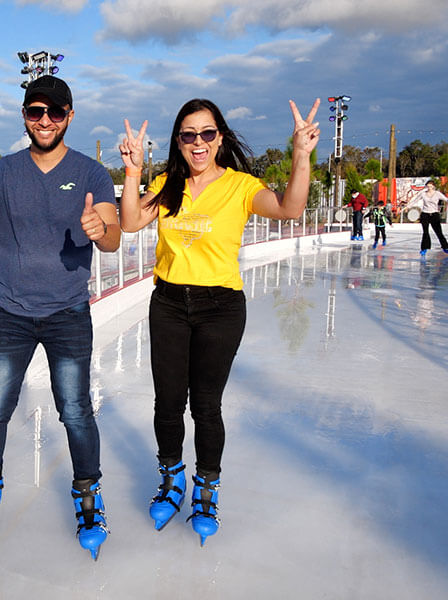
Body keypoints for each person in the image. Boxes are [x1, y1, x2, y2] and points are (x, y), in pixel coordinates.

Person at [118, 97, 320, 545]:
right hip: (169, 303)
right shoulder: (168, 184)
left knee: (206, 405)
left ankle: (206, 488)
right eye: (188, 135)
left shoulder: (242, 186)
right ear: (178, 141)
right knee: (167, 403)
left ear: (220, 137)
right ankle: (172, 479)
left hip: (220, 307)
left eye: (207, 134)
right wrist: (133, 171)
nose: (198, 143)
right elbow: (130, 222)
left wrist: (301, 156)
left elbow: (289, 209)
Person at [0, 75, 121, 560]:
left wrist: (99, 229)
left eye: (54, 112)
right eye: (35, 111)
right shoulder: (3, 172)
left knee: (75, 410)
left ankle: (88, 495)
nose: (44, 121)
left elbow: (110, 237)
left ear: (70, 116)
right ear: (24, 115)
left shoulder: (91, 174)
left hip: (68, 312)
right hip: (11, 312)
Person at [416, 180, 448, 257]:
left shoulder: (437, 194)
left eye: (430, 186)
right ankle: (424, 248)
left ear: (433, 186)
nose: (429, 188)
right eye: (428, 186)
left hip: (434, 214)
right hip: (425, 214)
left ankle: (445, 247)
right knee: (425, 232)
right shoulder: (423, 194)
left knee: (439, 232)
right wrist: (408, 205)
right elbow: (415, 199)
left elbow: (446, 199)